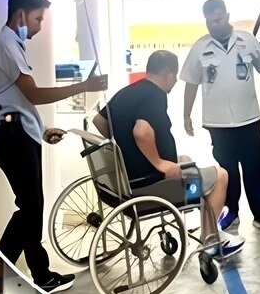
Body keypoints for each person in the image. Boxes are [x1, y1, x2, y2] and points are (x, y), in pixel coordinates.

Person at [0, 0, 108, 294]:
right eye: (38, 19)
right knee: (30, 207)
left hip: (19, 133)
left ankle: (25, 272)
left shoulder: (11, 45)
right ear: (21, 14)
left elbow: (18, 103)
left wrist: (41, 131)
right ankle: (30, 273)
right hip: (13, 137)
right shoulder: (6, 44)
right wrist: (84, 85)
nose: (39, 27)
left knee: (29, 207)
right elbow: (34, 95)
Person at [92, 50, 244, 260]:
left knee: (187, 160)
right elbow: (141, 131)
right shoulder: (155, 95)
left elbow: (99, 122)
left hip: (124, 179)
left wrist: (123, 146)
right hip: (149, 183)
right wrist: (159, 163)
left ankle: (205, 213)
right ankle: (210, 239)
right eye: (174, 75)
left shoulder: (127, 91)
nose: (174, 81)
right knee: (220, 176)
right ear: (166, 72)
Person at [183, 0, 260, 237]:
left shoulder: (246, 41)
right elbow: (191, 82)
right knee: (227, 171)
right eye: (210, 21)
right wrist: (186, 114)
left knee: (256, 169)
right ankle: (232, 211)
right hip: (218, 124)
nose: (214, 24)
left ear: (227, 15)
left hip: (248, 120)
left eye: (218, 18)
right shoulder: (200, 47)